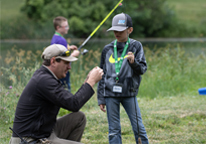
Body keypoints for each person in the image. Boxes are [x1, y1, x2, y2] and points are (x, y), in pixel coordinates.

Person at [9, 44, 104, 144]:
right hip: (29, 140)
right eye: (66, 63)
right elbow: (74, 104)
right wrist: (92, 81)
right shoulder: (44, 80)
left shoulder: (45, 77)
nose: (69, 67)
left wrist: (87, 81)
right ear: (53, 61)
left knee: (78, 117)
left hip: (44, 133)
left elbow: (70, 100)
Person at [97, 13, 149, 144]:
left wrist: (134, 62)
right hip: (110, 94)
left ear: (129, 30)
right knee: (113, 130)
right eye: (114, 30)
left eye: (119, 30)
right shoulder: (107, 49)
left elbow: (142, 69)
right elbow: (101, 74)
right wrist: (101, 97)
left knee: (138, 128)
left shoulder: (136, 46)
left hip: (129, 93)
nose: (116, 33)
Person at [51, 16, 80, 91]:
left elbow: (58, 52)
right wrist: (74, 54)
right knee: (66, 90)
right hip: (63, 70)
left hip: (56, 70)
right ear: (58, 27)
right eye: (66, 26)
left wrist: (69, 48)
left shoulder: (55, 38)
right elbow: (64, 58)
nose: (68, 28)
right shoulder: (61, 40)